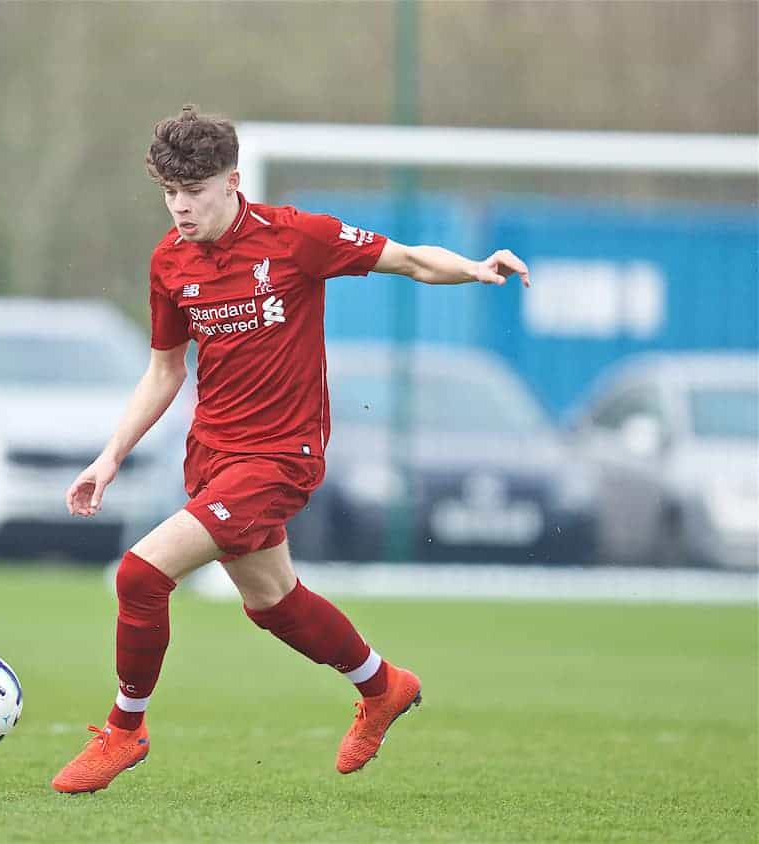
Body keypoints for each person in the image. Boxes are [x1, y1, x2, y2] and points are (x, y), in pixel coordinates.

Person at [51, 105, 530, 794]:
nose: (179, 208)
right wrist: (110, 456)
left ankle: (125, 731)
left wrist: (476, 268)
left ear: (233, 181)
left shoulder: (297, 237)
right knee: (272, 599)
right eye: (169, 193)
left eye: (194, 192)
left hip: (281, 458)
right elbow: (164, 370)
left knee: (140, 576)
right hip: (212, 455)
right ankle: (383, 685)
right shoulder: (169, 261)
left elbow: (410, 260)